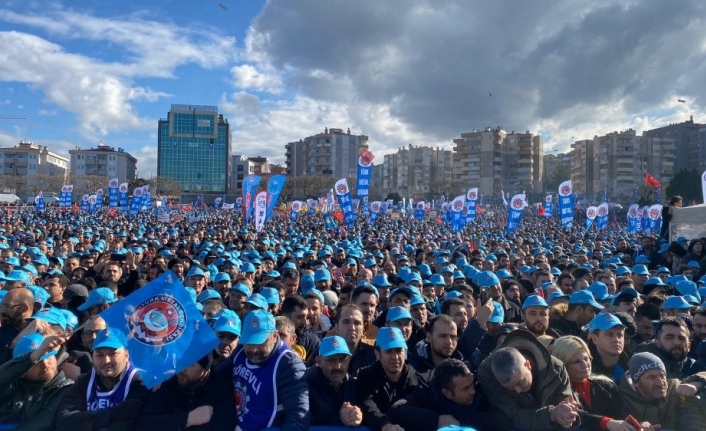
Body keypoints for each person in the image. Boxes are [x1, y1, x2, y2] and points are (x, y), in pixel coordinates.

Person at [478, 329, 578, 430]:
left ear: (528, 364)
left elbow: (562, 412)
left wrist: (567, 415)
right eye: (510, 388)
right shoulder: (487, 374)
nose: (518, 390)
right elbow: (512, 416)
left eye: (520, 382)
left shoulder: (556, 369)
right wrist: (551, 414)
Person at [56, 328, 149, 431]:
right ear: (93, 357)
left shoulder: (140, 381)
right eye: (100, 355)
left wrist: (87, 421)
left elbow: (132, 423)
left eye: (113, 353)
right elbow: (65, 421)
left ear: (126, 355)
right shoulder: (83, 382)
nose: (106, 361)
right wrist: (113, 414)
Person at [232, 310, 309, 431]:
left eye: (260, 342)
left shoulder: (289, 364)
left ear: (274, 336)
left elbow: (298, 416)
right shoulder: (241, 352)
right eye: (249, 341)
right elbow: (217, 381)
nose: (254, 349)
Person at [387, 358, 500, 431]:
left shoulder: (481, 388)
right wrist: (437, 420)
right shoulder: (426, 395)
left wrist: (460, 420)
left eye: (471, 385)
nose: (473, 391)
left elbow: (500, 418)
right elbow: (396, 411)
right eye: (465, 389)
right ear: (447, 393)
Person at [136, 352, 237, 431]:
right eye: (178, 361)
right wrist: (188, 419)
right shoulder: (167, 384)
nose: (181, 369)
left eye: (189, 364)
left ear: (205, 367)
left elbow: (222, 427)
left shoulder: (222, 390)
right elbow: (144, 424)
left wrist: (169, 423)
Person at [551, 336, 634, 431]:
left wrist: (637, 424)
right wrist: (606, 422)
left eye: (586, 359)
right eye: (577, 361)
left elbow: (622, 412)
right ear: (563, 365)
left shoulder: (605, 385)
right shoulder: (557, 391)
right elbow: (576, 418)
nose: (585, 364)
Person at [356, 327, 426, 431]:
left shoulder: (417, 380)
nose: (395, 357)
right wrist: (385, 425)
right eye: (389, 351)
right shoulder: (365, 378)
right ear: (377, 354)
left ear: (405, 352)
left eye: (399, 351)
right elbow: (367, 406)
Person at [0, 333, 73, 431]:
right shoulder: (11, 386)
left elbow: (44, 420)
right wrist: (32, 357)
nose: (45, 364)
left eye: (48, 356)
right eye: (38, 361)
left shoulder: (68, 388)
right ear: (22, 371)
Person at [619, 352, 706, 430]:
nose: (660, 383)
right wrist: (637, 426)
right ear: (636, 382)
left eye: (662, 376)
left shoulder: (674, 388)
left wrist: (696, 383)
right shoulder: (623, 398)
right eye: (651, 377)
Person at [307, 336, 362, 427]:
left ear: (349, 360)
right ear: (319, 361)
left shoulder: (354, 385)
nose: (338, 366)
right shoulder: (305, 386)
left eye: (343, 359)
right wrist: (339, 418)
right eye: (331, 360)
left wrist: (358, 416)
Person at [333, 304, 375, 377]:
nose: (352, 328)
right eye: (346, 322)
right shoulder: (325, 354)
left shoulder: (374, 356)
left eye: (357, 323)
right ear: (336, 327)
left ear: (363, 329)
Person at [587, 313, 630, 384]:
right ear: (595, 339)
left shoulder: (633, 366)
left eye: (620, 335)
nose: (616, 339)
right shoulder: (585, 369)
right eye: (609, 334)